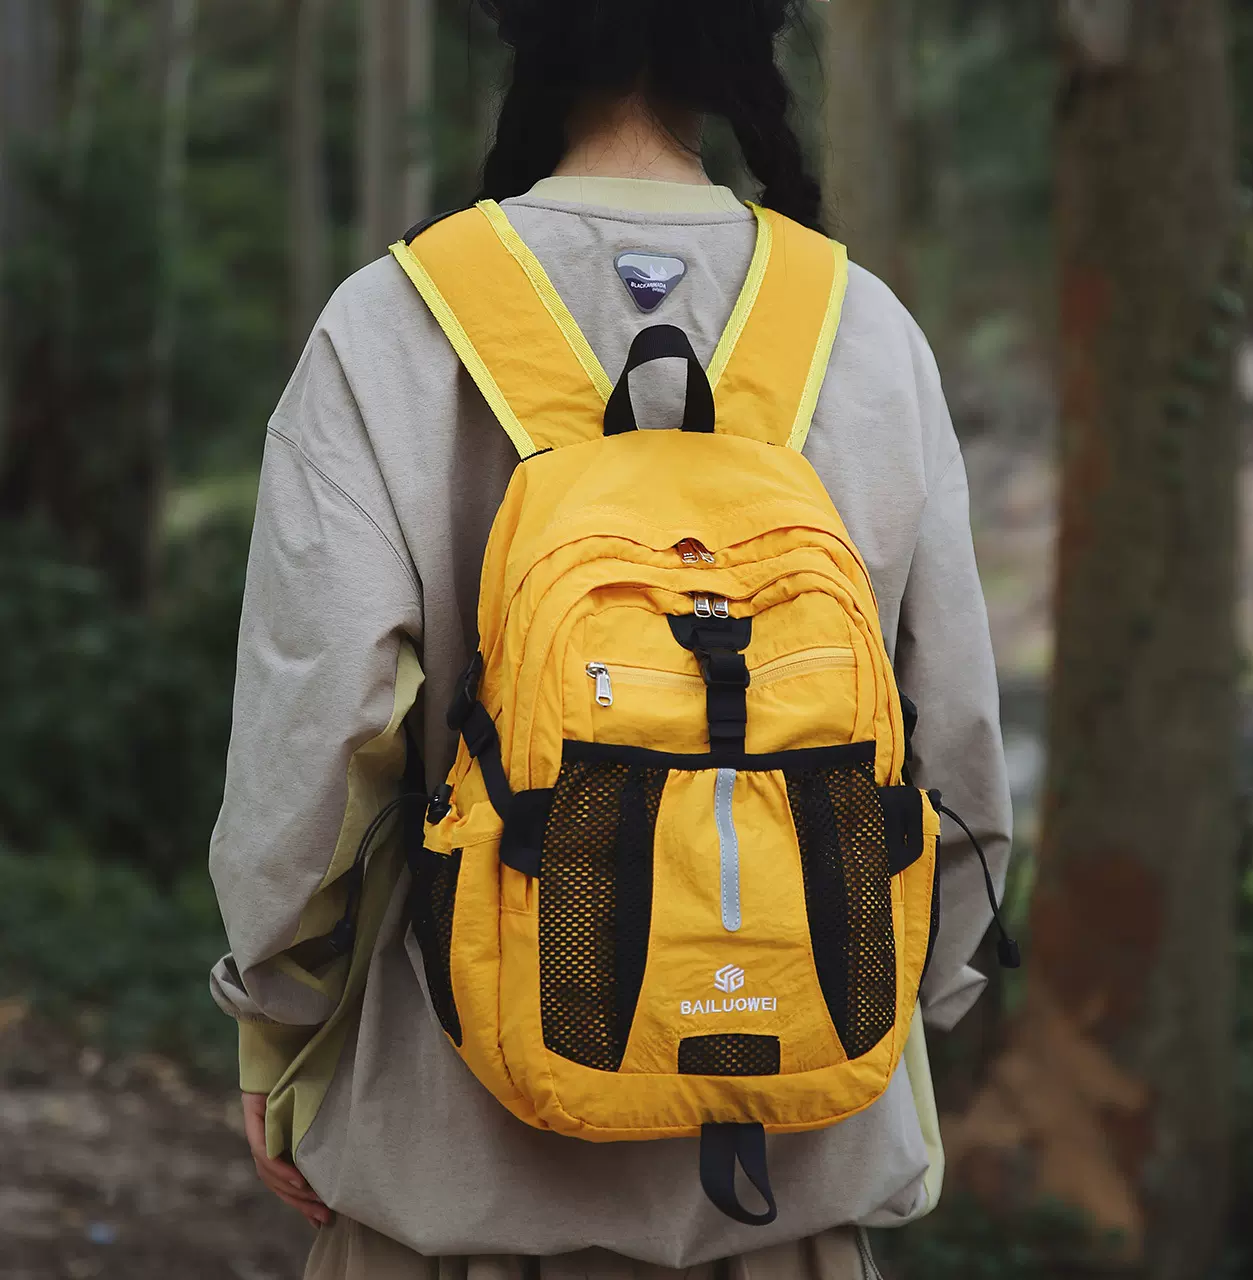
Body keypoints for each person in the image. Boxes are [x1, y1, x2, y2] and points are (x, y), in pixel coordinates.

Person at [209, 1, 1013, 1277]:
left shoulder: (391, 325)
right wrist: (910, 991)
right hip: (787, 1189)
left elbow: (320, 734)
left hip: (456, 1173)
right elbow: (952, 738)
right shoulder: (861, 330)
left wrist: (279, 1020)